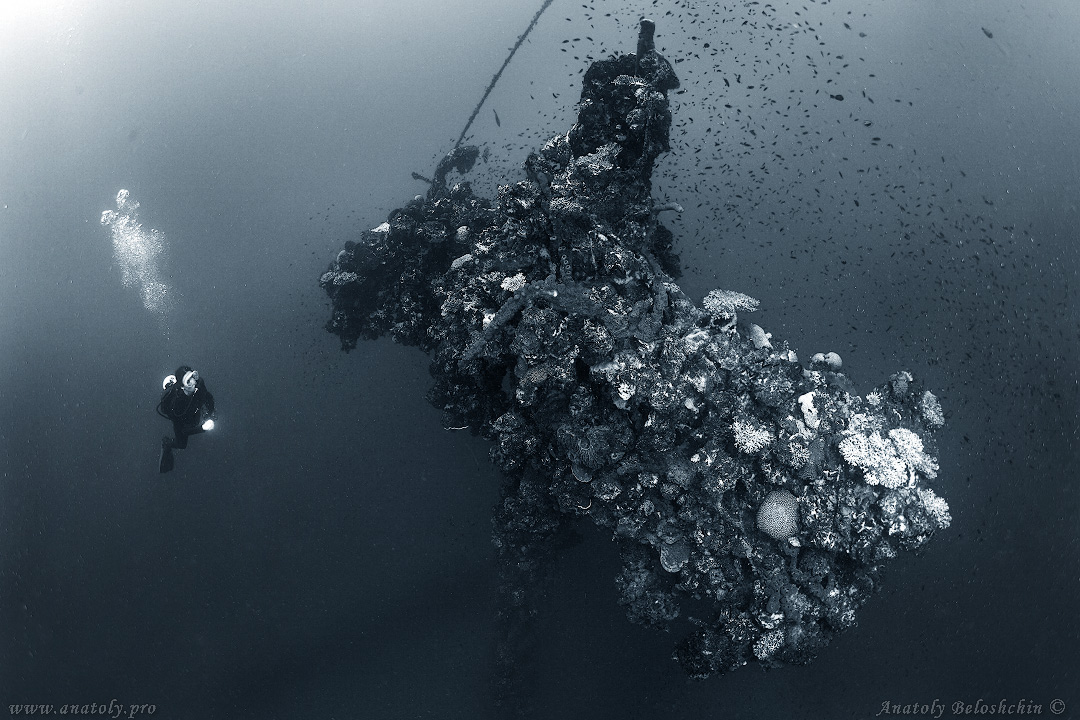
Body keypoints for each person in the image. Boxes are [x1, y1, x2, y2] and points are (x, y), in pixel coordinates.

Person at [157, 365, 216, 473]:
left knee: (195, 420)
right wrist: (203, 428)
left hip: (194, 414)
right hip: (182, 422)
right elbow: (184, 431)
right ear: (182, 387)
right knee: (182, 444)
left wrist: (210, 414)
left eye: (193, 376)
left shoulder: (199, 384)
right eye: (188, 381)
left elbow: (208, 397)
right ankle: (166, 443)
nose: (193, 382)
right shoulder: (178, 405)